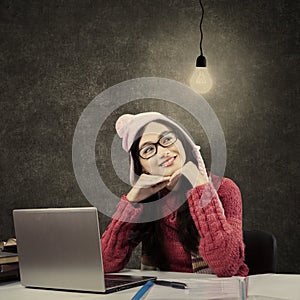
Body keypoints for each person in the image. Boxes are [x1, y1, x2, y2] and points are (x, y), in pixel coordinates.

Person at [101, 112, 248, 277]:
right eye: (148, 149)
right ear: (141, 166)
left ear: (183, 144)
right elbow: (106, 264)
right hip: (168, 291)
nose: (163, 152)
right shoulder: (149, 202)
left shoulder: (224, 189)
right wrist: (131, 200)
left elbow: (227, 266)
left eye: (167, 140)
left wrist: (200, 185)